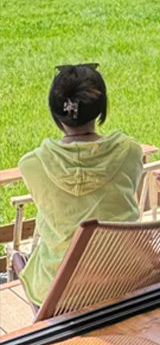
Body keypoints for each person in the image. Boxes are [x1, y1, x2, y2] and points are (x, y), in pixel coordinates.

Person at [15, 64, 143, 308]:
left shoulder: (32, 164)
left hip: (62, 293)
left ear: (56, 112)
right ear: (101, 110)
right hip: (126, 281)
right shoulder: (130, 151)